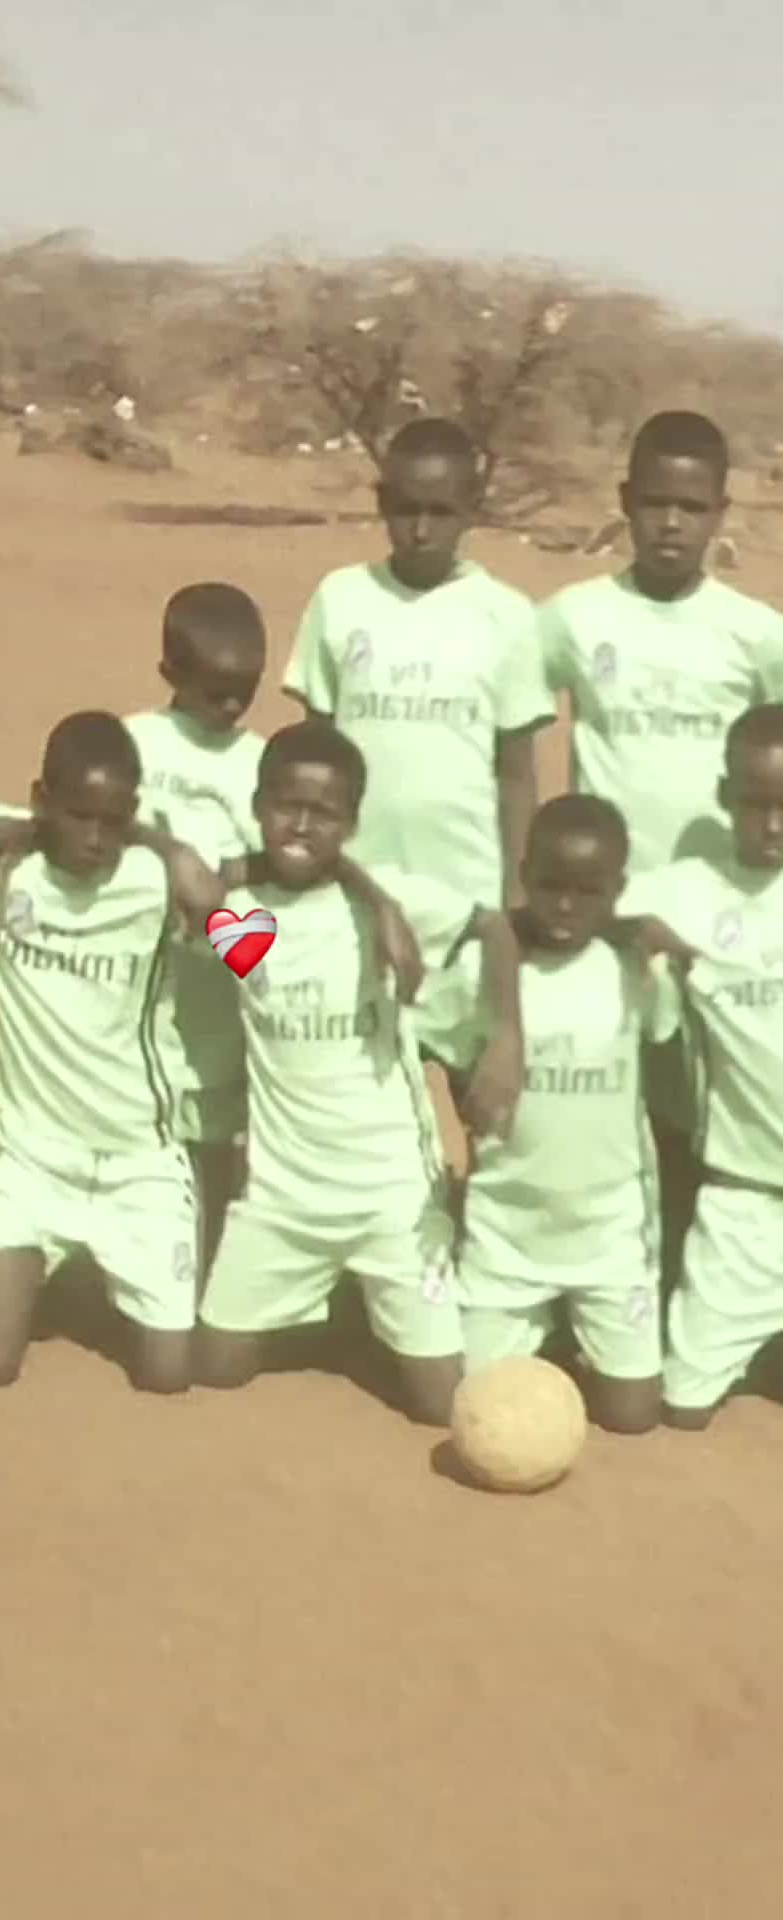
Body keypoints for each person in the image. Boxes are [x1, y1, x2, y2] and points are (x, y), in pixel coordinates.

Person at [196, 721, 524, 1425]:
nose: (301, 824)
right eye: (287, 805)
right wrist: (360, 885)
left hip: (389, 1196)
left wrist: (507, 1037)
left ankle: (377, 1298)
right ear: (258, 805)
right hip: (283, 1199)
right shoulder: (240, 914)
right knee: (216, 1368)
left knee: (443, 1405)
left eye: (324, 813)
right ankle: (340, 1298)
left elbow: (494, 925)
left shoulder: (392, 905)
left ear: (350, 823)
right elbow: (191, 875)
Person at [0, 712, 218, 1395]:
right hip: (33, 1157)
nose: (96, 838)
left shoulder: (157, 879)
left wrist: (182, 862)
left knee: (167, 1377)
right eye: (78, 816)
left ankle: (124, 1255)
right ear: (41, 800)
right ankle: (47, 1267)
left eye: (115, 821)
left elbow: (258, 955)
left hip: (139, 1161)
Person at [538, 409, 783, 1289]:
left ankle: (689, 1282)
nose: (671, 524)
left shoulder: (755, 633)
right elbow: (509, 724)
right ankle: (582, 1279)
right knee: (595, 1099)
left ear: (721, 513)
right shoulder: (573, 619)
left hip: (714, 921)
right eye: (654, 503)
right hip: (598, 912)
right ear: (624, 502)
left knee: (695, 1113)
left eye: (691, 507)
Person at [416, 794, 681, 1435]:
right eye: (551, 885)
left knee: (633, 1416)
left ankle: (573, 1327)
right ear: (524, 874)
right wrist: (476, 1100)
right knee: (475, 1404)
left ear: (616, 890)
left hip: (610, 1233)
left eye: (588, 892)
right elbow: (434, 1040)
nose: (565, 905)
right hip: (507, 1235)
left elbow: (665, 1039)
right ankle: (543, 1324)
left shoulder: (633, 969)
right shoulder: (482, 969)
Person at [282, 417, 555, 912]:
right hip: (350, 886)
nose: (422, 530)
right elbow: (316, 751)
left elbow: (517, 775)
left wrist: (517, 901)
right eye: (407, 510)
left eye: (440, 512)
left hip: (466, 892)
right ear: (382, 502)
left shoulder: (507, 614)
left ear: (471, 508)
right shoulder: (340, 598)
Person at [619, 703, 783, 1427]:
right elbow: (580, 908)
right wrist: (636, 932)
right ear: (724, 796)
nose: (773, 825)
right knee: (683, 1406)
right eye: (755, 804)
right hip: (742, 1203)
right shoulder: (685, 889)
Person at [125, 583, 267, 1277]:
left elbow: (274, 866)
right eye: (217, 693)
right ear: (170, 674)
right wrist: (168, 852)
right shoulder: (134, 742)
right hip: (142, 980)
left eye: (247, 691)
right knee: (143, 1133)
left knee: (214, 1141)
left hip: (221, 981)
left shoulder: (260, 761)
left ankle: (211, 1276)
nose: (233, 707)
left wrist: (231, 887)